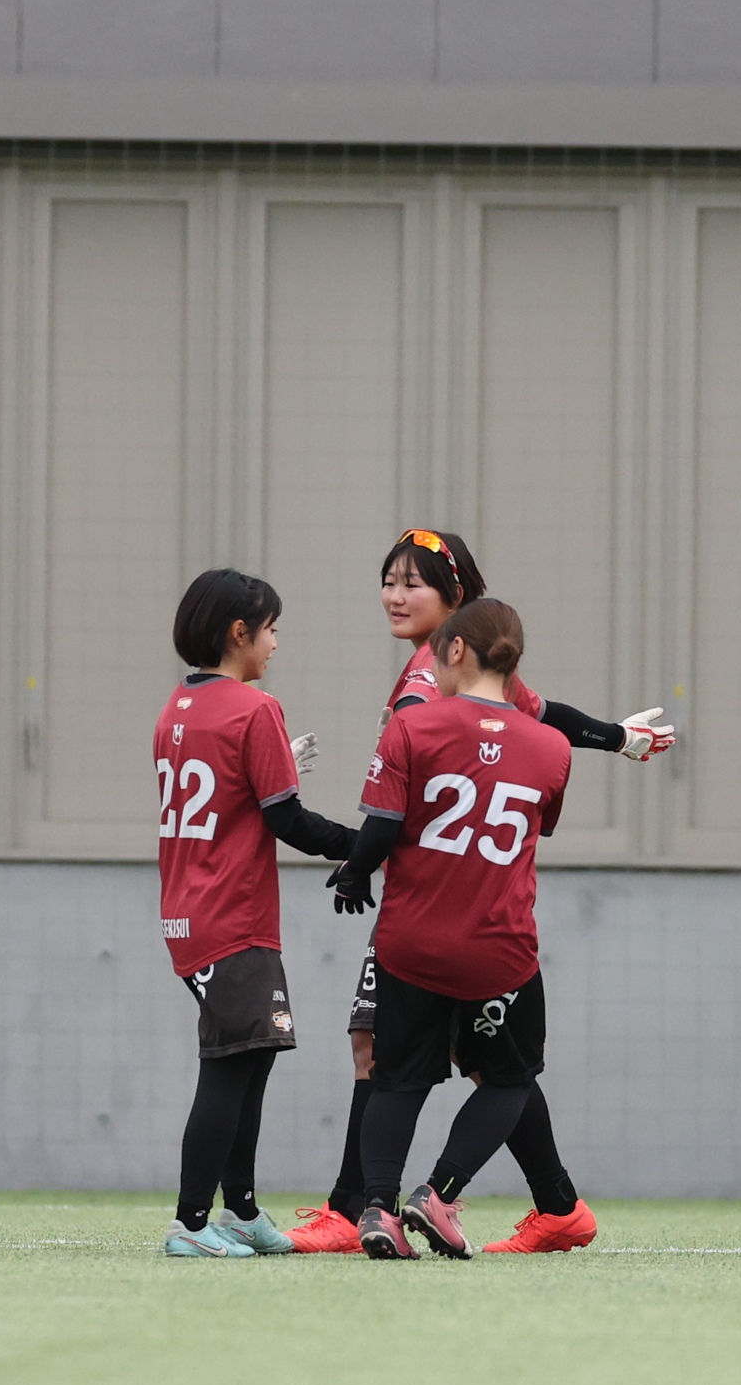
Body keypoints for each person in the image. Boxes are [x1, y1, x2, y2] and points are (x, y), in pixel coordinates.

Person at [289, 528, 671, 1256]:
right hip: (488, 925)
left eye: (413, 584)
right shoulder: (499, 686)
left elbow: (396, 807)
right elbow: (545, 731)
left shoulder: (429, 685)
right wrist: (617, 739)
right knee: (498, 1067)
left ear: (456, 611)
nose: (395, 596)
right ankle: (550, 1204)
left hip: (419, 908)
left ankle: (359, 1207)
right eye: (389, 581)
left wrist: (352, 859)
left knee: (389, 1059)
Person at [328, 599, 577, 1259]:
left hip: (411, 941)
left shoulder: (412, 726)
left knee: (396, 1080)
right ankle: (437, 1194)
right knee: (510, 1078)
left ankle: (376, 1209)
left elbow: (382, 826)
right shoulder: (552, 747)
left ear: (457, 650)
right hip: (498, 946)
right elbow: (532, 823)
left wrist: (354, 874)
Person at [155, 570, 359, 1257]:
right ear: (238, 632)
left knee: (252, 1057)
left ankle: (240, 1210)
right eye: (270, 629)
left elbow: (224, 797)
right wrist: (369, 846)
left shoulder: (177, 707)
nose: (275, 643)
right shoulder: (254, 708)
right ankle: (190, 1224)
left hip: (188, 912)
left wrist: (277, 764)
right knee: (228, 1068)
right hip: (231, 915)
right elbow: (288, 821)